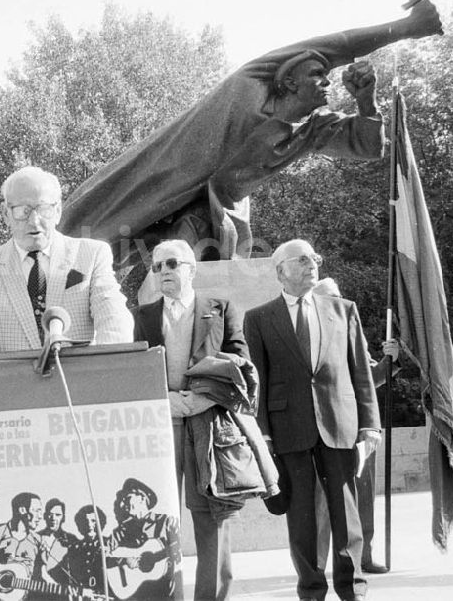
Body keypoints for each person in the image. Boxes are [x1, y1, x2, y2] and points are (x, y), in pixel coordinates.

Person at [60, 1, 443, 262]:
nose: (328, 82)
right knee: (86, 241)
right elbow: (337, 44)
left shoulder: (309, 130)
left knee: (193, 276)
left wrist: (365, 102)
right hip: (161, 182)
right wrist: (407, 28)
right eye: (317, 75)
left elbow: (364, 143)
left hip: (211, 211)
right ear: (289, 82)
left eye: (327, 76)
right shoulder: (251, 83)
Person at [244, 240, 380, 601]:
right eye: (302, 260)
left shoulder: (343, 310)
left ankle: (353, 589)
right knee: (301, 517)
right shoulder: (259, 318)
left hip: (340, 424)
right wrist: (264, 435)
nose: (312, 265)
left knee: (346, 513)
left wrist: (371, 425)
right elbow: (260, 378)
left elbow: (361, 373)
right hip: (290, 429)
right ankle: (311, 590)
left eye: (315, 258)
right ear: (281, 271)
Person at [132, 239, 250, 601]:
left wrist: (200, 398)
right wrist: (167, 402)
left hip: (208, 427)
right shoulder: (142, 316)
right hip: (160, 426)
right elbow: (133, 371)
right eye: (156, 267)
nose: (163, 272)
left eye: (171, 264)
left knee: (211, 518)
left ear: (191, 268)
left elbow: (240, 361)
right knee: (157, 519)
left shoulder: (221, 308)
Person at [0, 166, 133, 353]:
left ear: (58, 211)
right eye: (22, 211)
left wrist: (104, 369)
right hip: (13, 381)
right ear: (5, 214)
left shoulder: (92, 254)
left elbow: (114, 320)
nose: (34, 221)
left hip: (80, 380)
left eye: (43, 209)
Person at [311, 277, 397, 575]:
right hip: (321, 430)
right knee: (320, 503)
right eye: (327, 297)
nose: (334, 302)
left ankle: (365, 556)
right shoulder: (306, 333)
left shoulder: (349, 327)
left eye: (337, 296)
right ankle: (317, 564)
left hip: (357, 428)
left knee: (362, 496)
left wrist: (391, 361)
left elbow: (370, 379)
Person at [107, 478, 182, 600]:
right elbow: (103, 556)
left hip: (163, 592)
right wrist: (123, 561)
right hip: (132, 595)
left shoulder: (167, 523)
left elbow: (179, 549)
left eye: (128, 497)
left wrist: (158, 556)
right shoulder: (121, 531)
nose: (124, 502)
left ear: (142, 498)